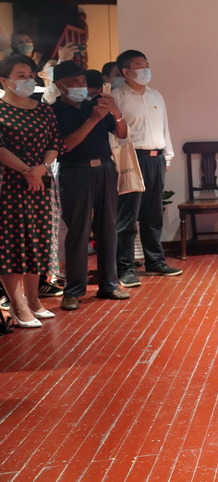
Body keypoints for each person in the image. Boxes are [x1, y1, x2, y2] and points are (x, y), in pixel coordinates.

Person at [51, 61, 130, 310]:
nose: (80, 86)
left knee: (108, 228)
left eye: (83, 82)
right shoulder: (53, 112)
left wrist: (116, 112)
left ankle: (109, 285)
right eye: (74, 82)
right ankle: (73, 290)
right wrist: (93, 120)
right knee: (78, 232)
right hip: (75, 172)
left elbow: (122, 134)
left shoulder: (93, 106)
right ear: (59, 85)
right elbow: (65, 146)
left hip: (105, 168)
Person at [0, 55, 64, 327]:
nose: (28, 80)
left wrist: (40, 169)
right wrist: (28, 171)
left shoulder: (43, 110)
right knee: (12, 243)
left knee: (38, 240)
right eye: (21, 76)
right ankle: (17, 304)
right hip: (9, 185)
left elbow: (54, 143)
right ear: (4, 81)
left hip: (40, 183)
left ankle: (34, 299)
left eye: (30, 75)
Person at [112, 49, 183, 286]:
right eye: (139, 66)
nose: (145, 70)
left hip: (156, 159)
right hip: (131, 159)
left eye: (147, 65)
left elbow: (164, 127)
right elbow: (112, 134)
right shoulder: (117, 97)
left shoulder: (156, 96)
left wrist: (167, 156)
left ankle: (155, 262)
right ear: (126, 71)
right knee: (128, 216)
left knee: (153, 214)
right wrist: (117, 163)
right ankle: (125, 267)